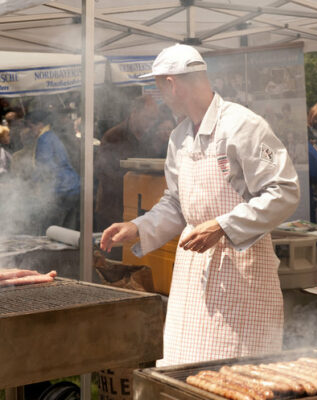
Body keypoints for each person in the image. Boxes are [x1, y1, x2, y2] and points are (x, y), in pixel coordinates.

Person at [101, 43, 300, 366]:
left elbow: (284, 191)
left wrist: (224, 226)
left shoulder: (242, 125)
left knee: (237, 369)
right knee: (188, 367)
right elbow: (178, 203)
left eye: (158, 85)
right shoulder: (179, 137)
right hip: (192, 272)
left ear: (172, 83)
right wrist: (138, 226)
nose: (159, 95)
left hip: (241, 270)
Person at [94, 95, 159, 231]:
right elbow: (103, 172)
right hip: (112, 210)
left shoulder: (150, 139)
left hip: (140, 209)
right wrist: (134, 183)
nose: (151, 123)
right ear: (134, 112)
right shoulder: (114, 136)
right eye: (148, 118)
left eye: (154, 119)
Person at [25, 110, 80, 234]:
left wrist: (32, 184)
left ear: (39, 125)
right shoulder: (50, 135)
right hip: (72, 187)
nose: (30, 130)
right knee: (68, 232)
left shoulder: (44, 139)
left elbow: (45, 167)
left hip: (62, 189)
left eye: (31, 126)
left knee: (54, 231)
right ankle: (67, 254)